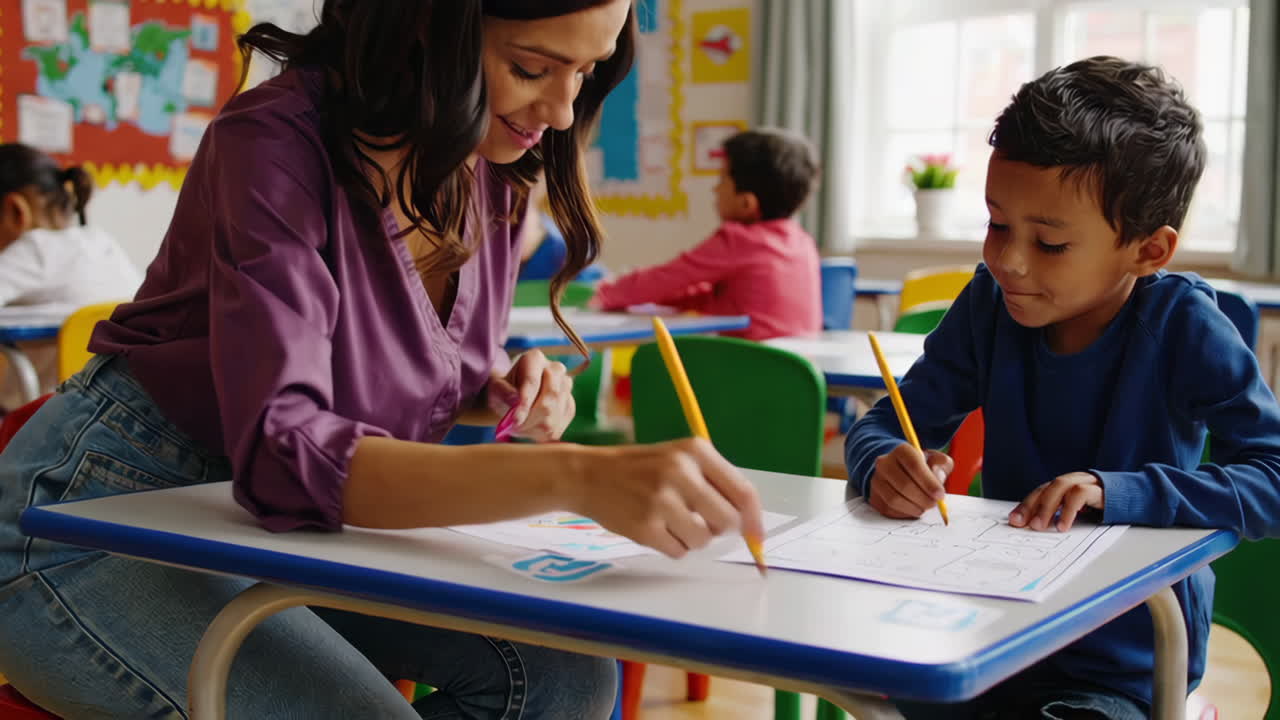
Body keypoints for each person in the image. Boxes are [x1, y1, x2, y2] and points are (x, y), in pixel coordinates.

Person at [0, 2, 765, 718]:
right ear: (428, 25)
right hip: (94, 520)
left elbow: (409, 352)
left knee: (566, 674)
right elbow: (284, 449)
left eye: (587, 72)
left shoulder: (494, 164)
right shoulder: (273, 142)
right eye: (532, 68)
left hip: (274, 529)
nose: (563, 111)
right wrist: (578, 477)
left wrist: (496, 385)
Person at [846, 56, 1280, 719]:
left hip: (1124, 662)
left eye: (1049, 244)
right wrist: (883, 462)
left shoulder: (1183, 325)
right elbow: (886, 423)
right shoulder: (988, 306)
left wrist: (1118, 492)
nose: (1007, 261)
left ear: (1148, 251)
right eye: (997, 224)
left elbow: (1273, 476)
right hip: (991, 632)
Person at [590, 128, 822, 341]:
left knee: (650, 358)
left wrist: (606, 293)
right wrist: (652, 296)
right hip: (796, 367)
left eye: (722, 180)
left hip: (747, 364)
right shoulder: (802, 242)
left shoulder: (739, 240)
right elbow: (713, 297)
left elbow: (667, 277)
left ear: (746, 203)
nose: (715, 189)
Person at [0, 143, 142, 409]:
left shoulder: (35, 248)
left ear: (15, 211)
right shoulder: (103, 242)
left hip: (40, 413)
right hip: (116, 410)